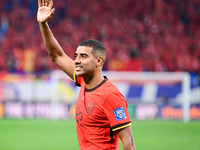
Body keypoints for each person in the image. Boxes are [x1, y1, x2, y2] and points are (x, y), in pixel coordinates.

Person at [37, 0, 136, 149]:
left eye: (83, 56)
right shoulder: (83, 81)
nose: (76, 61)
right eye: (76, 56)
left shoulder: (110, 95)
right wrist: (43, 25)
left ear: (98, 61)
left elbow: (129, 143)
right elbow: (57, 56)